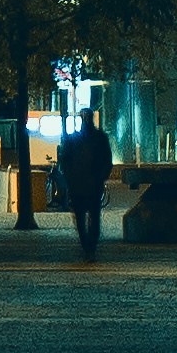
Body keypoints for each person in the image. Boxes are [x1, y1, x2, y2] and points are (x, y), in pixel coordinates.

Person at [56, 105, 112, 259]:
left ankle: (89, 248)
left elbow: (65, 161)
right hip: (85, 183)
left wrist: (70, 178)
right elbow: (107, 160)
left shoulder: (80, 139)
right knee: (87, 218)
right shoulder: (97, 138)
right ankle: (89, 248)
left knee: (88, 218)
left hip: (86, 183)